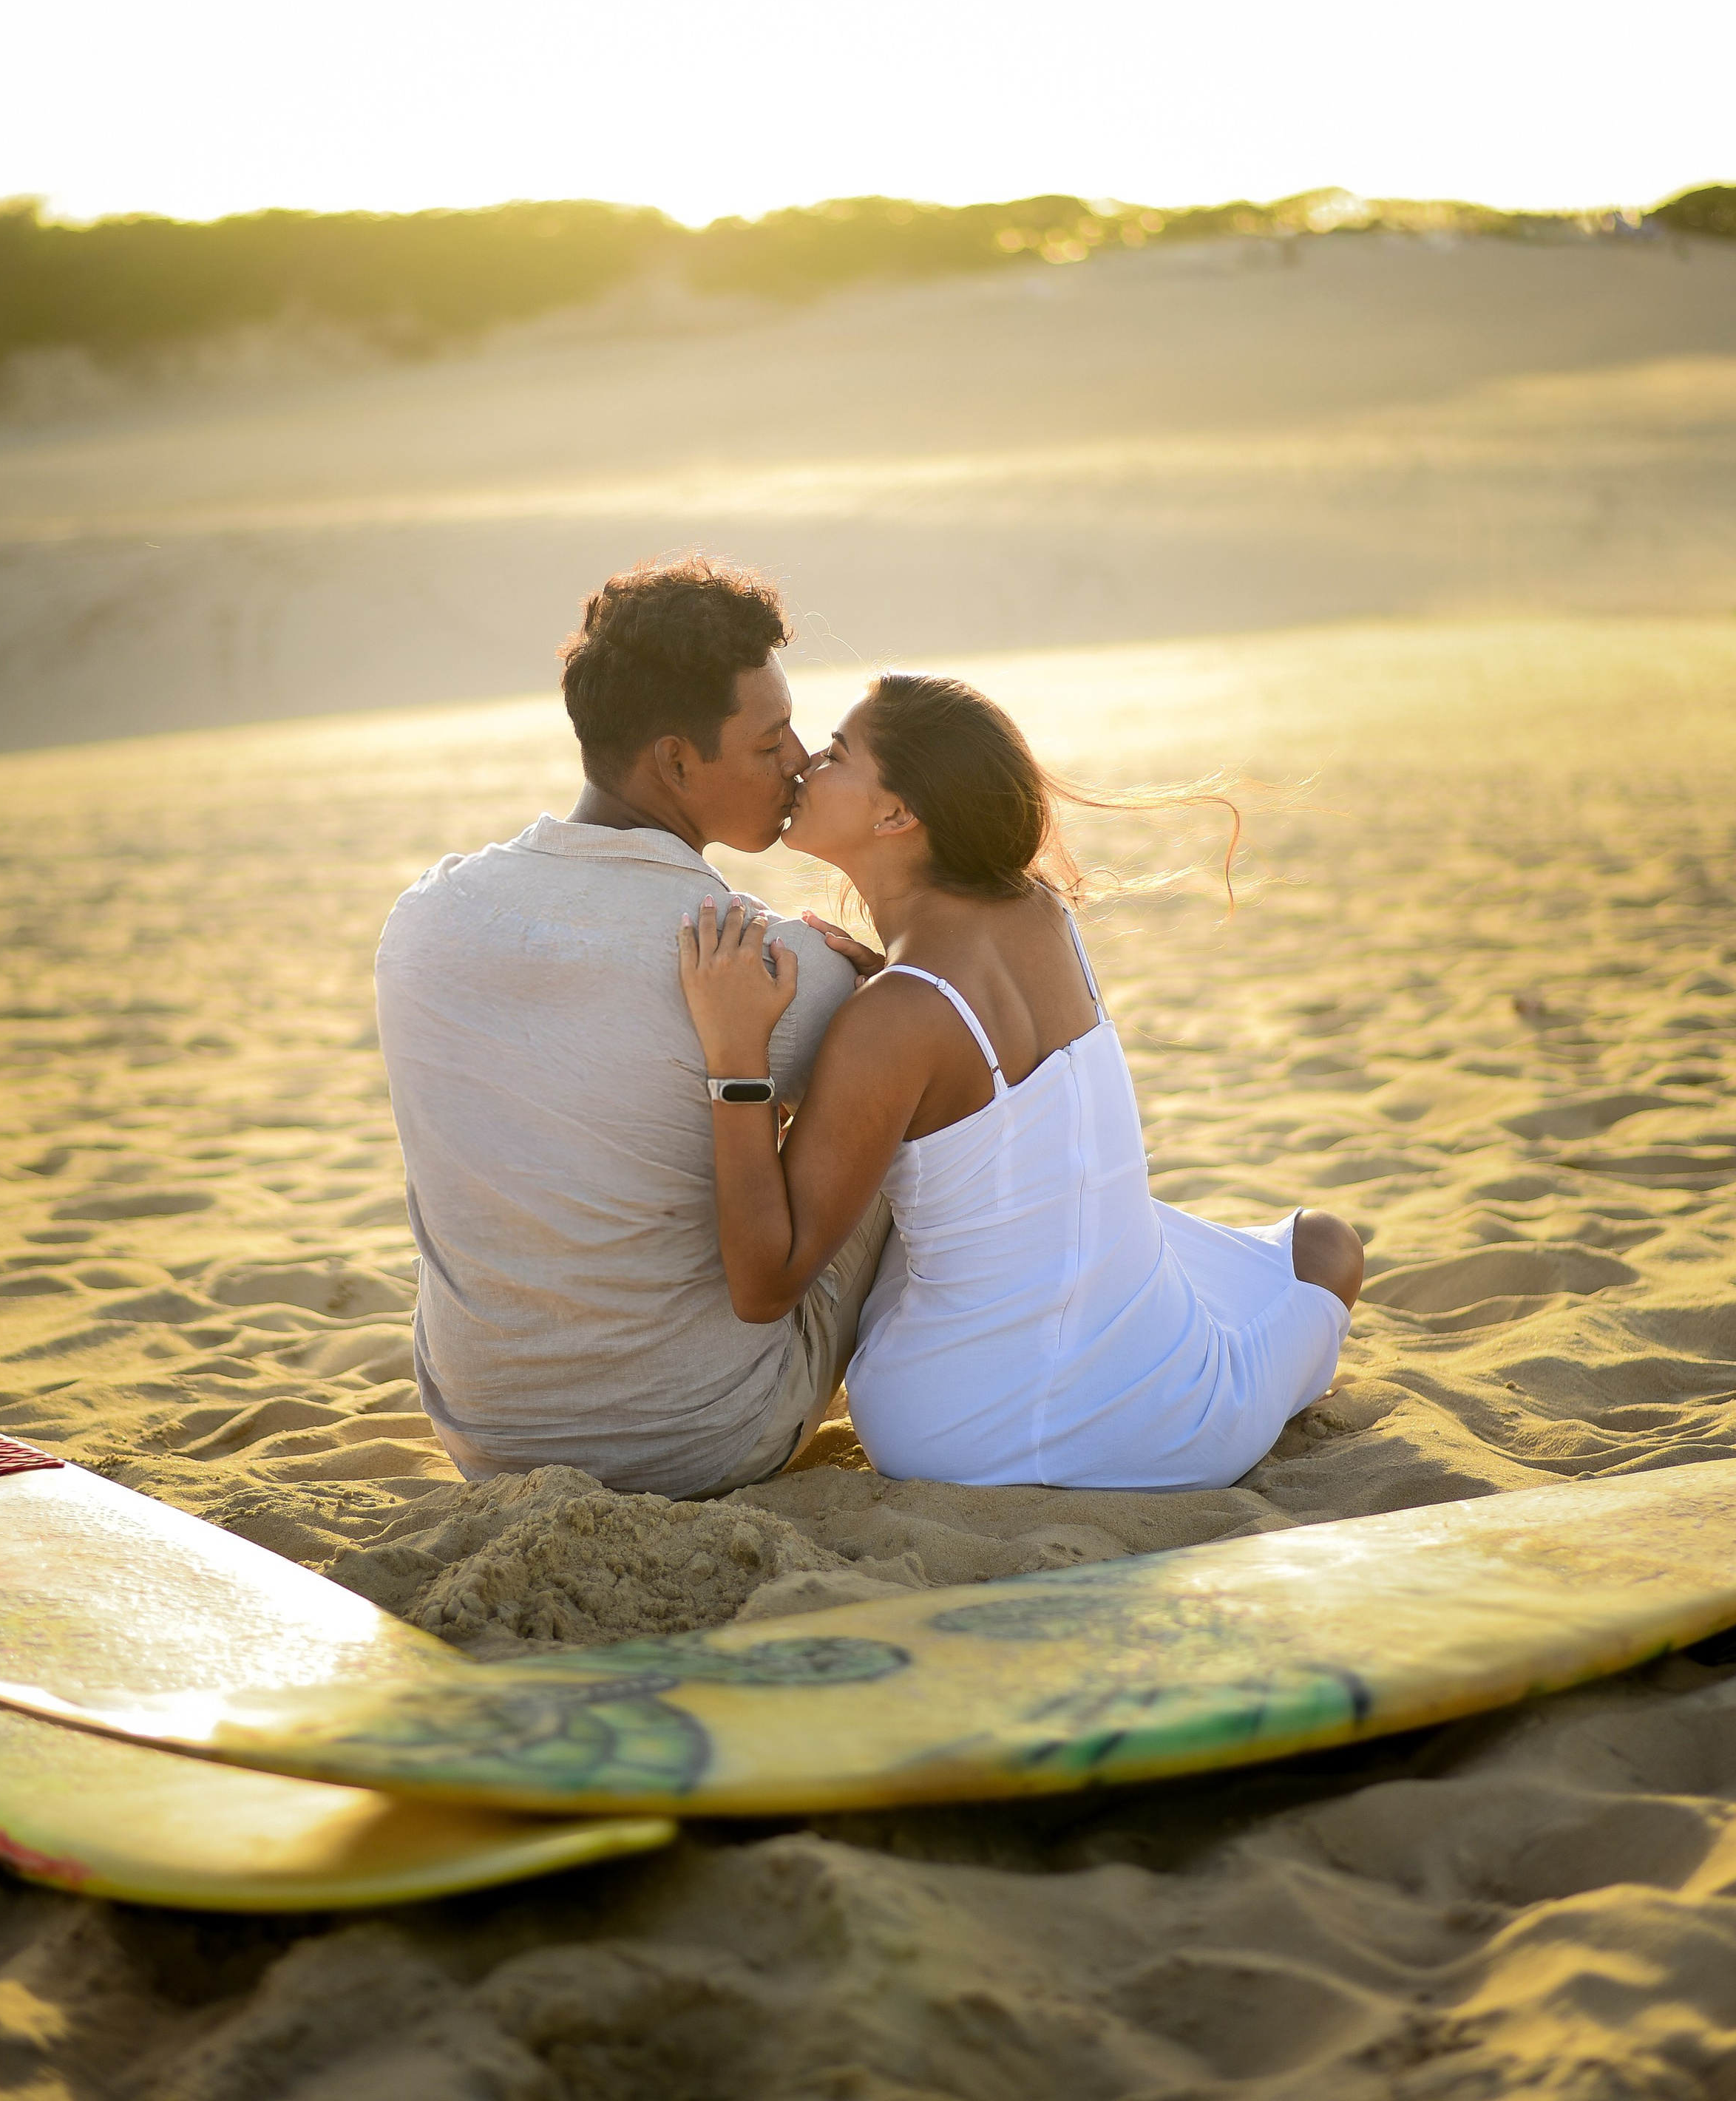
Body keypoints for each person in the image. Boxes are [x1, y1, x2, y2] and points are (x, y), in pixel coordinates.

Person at [677, 670, 1363, 1490]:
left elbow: (765, 1286)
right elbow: (972, 1064)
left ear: (895, 814)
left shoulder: (894, 1019)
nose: (805, 764)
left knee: (1303, 1246)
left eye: (836, 752)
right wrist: (879, 1006)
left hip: (949, 1427)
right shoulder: (1041, 914)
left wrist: (736, 1057)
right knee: (1325, 1247)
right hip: (1177, 1429)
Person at [375, 555, 884, 1500]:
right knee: (905, 1073)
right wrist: (883, 997)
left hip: (485, 1436)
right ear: (676, 761)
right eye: (769, 739)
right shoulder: (778, 968)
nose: (799, 759)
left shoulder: (423, 920)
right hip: (708, 1435)